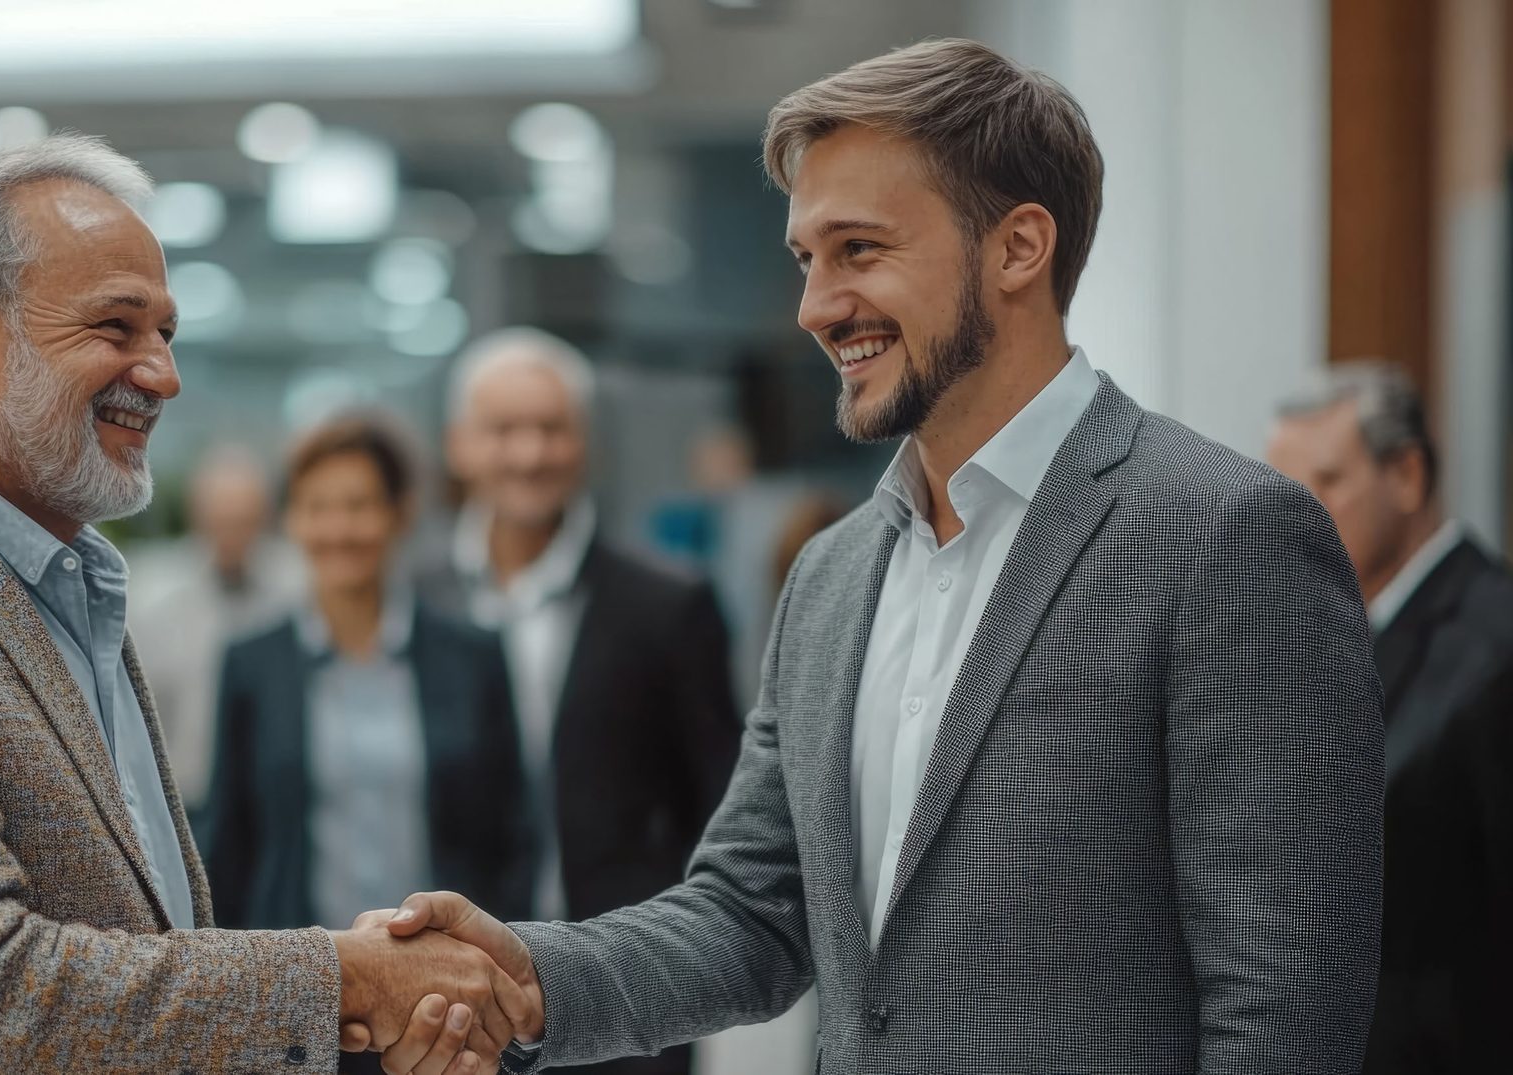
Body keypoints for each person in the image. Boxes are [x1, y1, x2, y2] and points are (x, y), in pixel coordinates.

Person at [366, 37, 1384, 1074]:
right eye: (807, 260)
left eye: (860, 250)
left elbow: (1283, 1010)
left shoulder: (1226, 537)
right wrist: (526, 976)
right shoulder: (831, 575)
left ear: (1019, 248)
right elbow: (752, 910)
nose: (815, 308)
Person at [0, 133, 529, 1074]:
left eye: (165, 333)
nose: (163, 374)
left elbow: (145, 938)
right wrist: (342, 978)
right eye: (116, 327)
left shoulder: (68, 590)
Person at [420, 327, 742, 1075]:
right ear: (461, 446)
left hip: (628, 1001)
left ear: (585, 443)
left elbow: (721, 811)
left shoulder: (669, 605)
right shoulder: (418, 600)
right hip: (455, 1005)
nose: (529, 453)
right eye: (505, 430)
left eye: (551, 428)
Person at [206, 416, 533, 1072]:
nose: (339, 528)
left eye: (359, 505)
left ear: (399, 513)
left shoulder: (472, 655)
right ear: (291, 521)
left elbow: (514, 833)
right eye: (317, 508)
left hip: (445, 1003)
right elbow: (230, 845)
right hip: (299, 1000)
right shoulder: (252, 665)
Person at [1266, 359, 1513, 1075]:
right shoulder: (1326, 634)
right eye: (1285, 488)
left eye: (1329, 481)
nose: (1299, 512)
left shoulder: (1494, 647)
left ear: (1405, 476)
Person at [129, 443, 303, 812]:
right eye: (220, 521)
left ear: (265, 519)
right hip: (189, 799)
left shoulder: (298, 590)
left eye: (244, 521)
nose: (232, 535)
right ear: (198, 517)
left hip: (273, 798)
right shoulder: (153, 600)